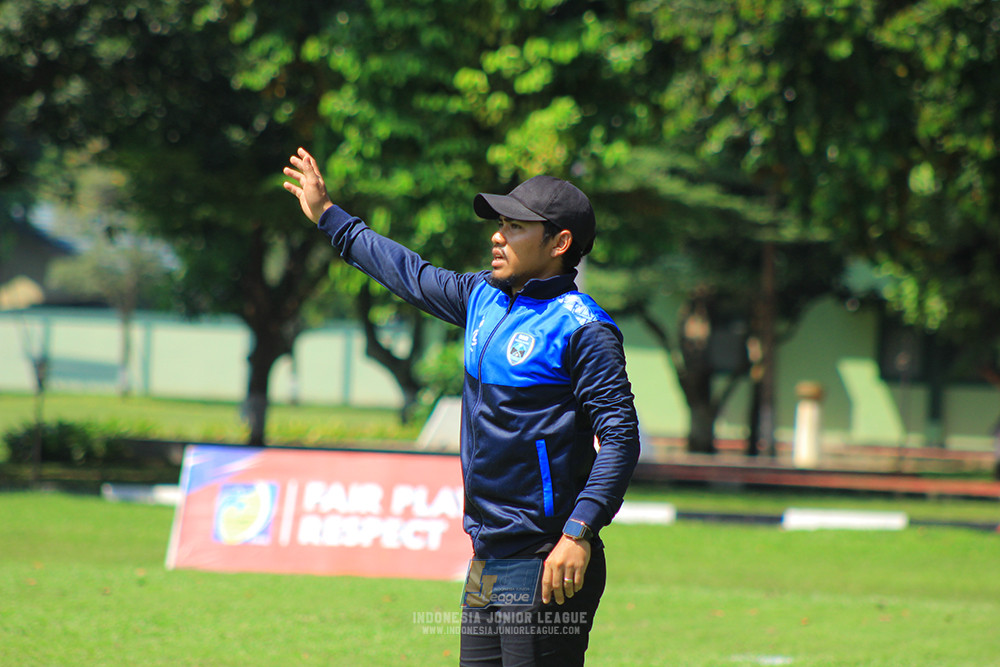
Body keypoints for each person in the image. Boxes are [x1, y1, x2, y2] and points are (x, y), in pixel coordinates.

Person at [283, 147, 640, 666]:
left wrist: (579, 531)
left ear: (560, 243)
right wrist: (329, 216)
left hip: (546, 557)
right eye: (500, 224)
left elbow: (621, 438)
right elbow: (406, 272)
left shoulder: (584, 329)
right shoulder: (481, 297)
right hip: (487, 555)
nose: (498, 236)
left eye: (516, 227)